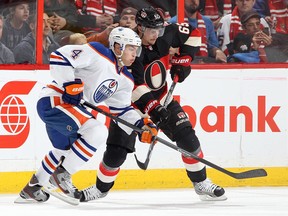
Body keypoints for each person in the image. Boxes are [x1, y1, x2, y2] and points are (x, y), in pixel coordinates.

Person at [80, 6, 227, 202]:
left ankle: (201, 183)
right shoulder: (128, 48)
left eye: (159, 29)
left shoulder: (164, 34)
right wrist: (154, 110)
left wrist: (184, 60)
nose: (157, 34)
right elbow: (135, 88)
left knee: (187, 138)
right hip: (129, 108)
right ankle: (100, 189)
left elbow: (193, 33)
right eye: (152, 30)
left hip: (163, 100)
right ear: (140, 28)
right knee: (116, 154)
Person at [16, 26, 157, 203]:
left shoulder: (125, 79)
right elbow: (60, 56)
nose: (135, 53)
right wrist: (69, 84)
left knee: (64, 150)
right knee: (96, 131)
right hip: (55, 100)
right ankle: (62, 176)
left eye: (136, 49)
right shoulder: (98, 52)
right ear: (118, 46)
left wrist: (141, 125)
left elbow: (121, 110)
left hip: (69, 108)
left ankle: (32, 189)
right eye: (130, 48)